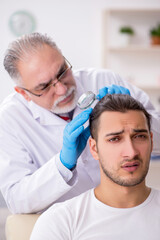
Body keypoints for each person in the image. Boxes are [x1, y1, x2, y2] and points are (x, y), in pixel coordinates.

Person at [0, 32, 159, 214]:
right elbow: (17, 201)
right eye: (44, 87)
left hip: (128, 208)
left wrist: (136, 117)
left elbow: (158, 142)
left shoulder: (103, 80)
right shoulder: (10, 119)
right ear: (23, 92)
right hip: (71, 219)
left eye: (62, 72)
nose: (62, 89)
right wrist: (63, 164)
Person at [30, 94, 160, 240]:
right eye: (115, 139)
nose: (131, 152)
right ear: (94, 148)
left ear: (151, 141)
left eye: (139, 137)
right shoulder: (61, 221)